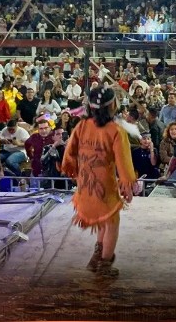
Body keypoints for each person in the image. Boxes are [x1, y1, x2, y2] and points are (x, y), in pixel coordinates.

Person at [61, 86, 137, 278]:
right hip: (104, 188)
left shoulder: (82, 125)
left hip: (85, 187)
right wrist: (127, 186)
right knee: (111, 221)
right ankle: (104, 264)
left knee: (104, 221)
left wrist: (74, 172)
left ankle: (97, 256)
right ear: (113, 105)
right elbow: (124, 164)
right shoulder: (116, 131)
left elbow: (69, 154)